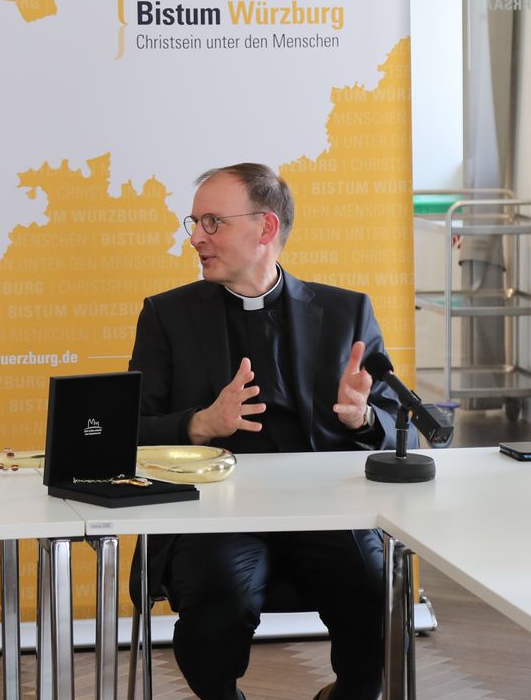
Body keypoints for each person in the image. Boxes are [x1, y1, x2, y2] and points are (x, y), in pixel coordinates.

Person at [129, 163, 407, 700]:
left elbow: (401, 428)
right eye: (194, 224)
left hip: (325, 507)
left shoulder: (345, 312)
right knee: (217, 599)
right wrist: (200, 423)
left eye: (212, 222)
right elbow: (129, 431)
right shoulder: (167, 316)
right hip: (214, 510)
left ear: (266, 228)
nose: (198, 239)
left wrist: (363, 417)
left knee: (377, 591)